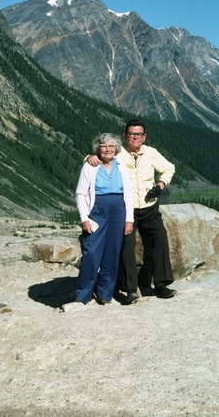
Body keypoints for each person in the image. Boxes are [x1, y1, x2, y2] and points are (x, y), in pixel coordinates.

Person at [87, 119, 176, 302]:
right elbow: (99, 156)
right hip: (127, 209)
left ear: (144, 137)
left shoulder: (151, 153)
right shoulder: (118, 154)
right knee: (127, 246)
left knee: (159, 239)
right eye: (131, 134)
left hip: (150, 206)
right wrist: (89, 157)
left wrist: (160, 184)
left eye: (139, 134)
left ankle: (160, 284)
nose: (135, 137)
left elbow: (169, 168)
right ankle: (130, 289)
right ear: (125, 136)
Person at [75, 132, 134, 305]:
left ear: (116, 149)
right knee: (91, 253)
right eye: (104, 146)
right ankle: (82, 294)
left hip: (118, 211)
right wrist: (84, 218)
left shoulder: (121, 166)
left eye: (111, 146)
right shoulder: (90, 166)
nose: (107, 149)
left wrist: (128, 219)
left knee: (112, 253)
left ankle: (104, 294)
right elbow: (80, 193)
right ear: (98, 148)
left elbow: (129, 195)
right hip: (97, 211)